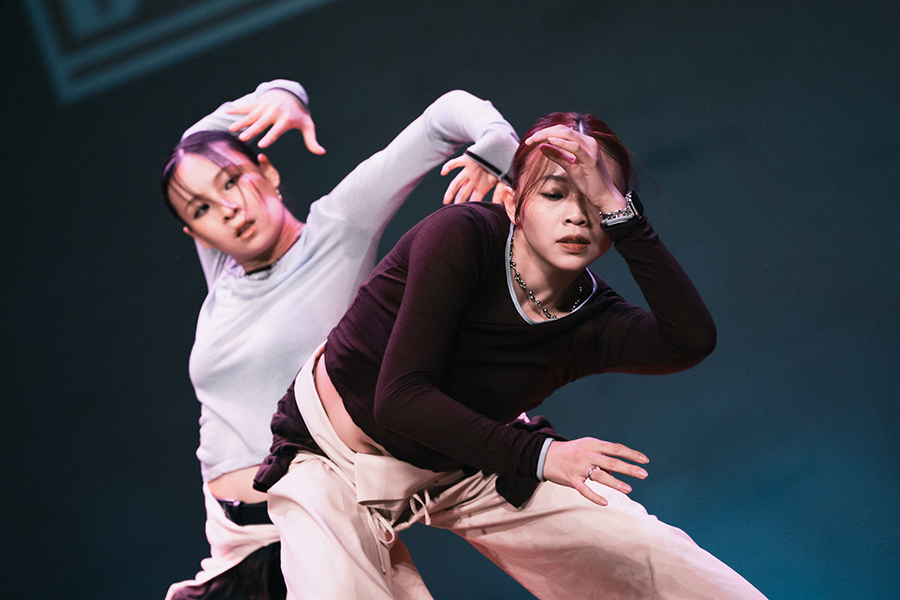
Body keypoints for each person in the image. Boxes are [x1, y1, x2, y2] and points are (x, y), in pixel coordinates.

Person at [253, 112, 770, 599]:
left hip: (470, 461)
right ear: (512, 203)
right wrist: (544, 457)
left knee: (658, 558)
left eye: (596, 200)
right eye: (554, 193)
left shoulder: (591, 317)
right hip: (332, 460)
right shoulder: (462, 237)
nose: (577, 215)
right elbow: (400, 399)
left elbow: (689, 340)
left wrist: (625, 217)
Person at [161, 79, 521, 600]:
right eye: (201, 210)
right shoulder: (223, 270)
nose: (227, 208)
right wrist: (276, 93)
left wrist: (500, 148)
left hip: (327, 524)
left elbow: (446, 118)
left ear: (267, 171)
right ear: (195, 234)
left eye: (233, 181)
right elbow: (192, 150)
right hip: (237, 547)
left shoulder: (338, 226)